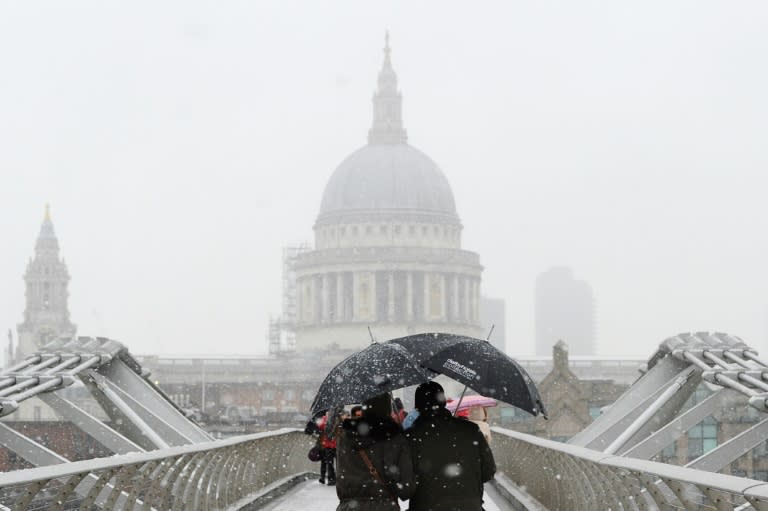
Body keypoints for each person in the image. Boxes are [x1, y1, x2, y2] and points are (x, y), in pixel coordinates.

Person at [406, 382, 496, 511]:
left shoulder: (411, 436)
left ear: (417, 406)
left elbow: (405, 487)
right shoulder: (470, 430)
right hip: (469, 507)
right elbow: (488, 472)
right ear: (443, 402)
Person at [335, 392, 415, 510]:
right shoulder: (394, 439)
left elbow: (341, 478)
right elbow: (406, 490)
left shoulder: (345, 438)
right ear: (388, 408)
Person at [316, 412, 337, 485]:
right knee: (330, 463)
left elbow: (320, 428)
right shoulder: (329, 419)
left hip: (328, 445)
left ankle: (330, 479)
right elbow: (320, 428)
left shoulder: (324, 420)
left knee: (328, 463)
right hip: (331, 445)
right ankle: (332, 478)